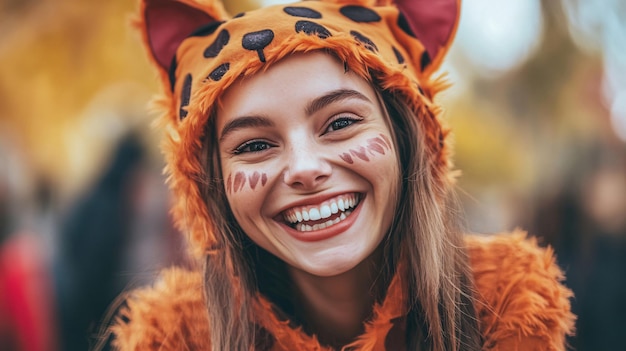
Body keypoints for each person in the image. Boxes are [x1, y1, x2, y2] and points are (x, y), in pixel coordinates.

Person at [107, 0, 575, 350]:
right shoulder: (179, 339)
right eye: (253, 145)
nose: (305, 168)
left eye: (341, 123)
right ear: (210, 188)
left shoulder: (505, 309)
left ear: (406, 138)